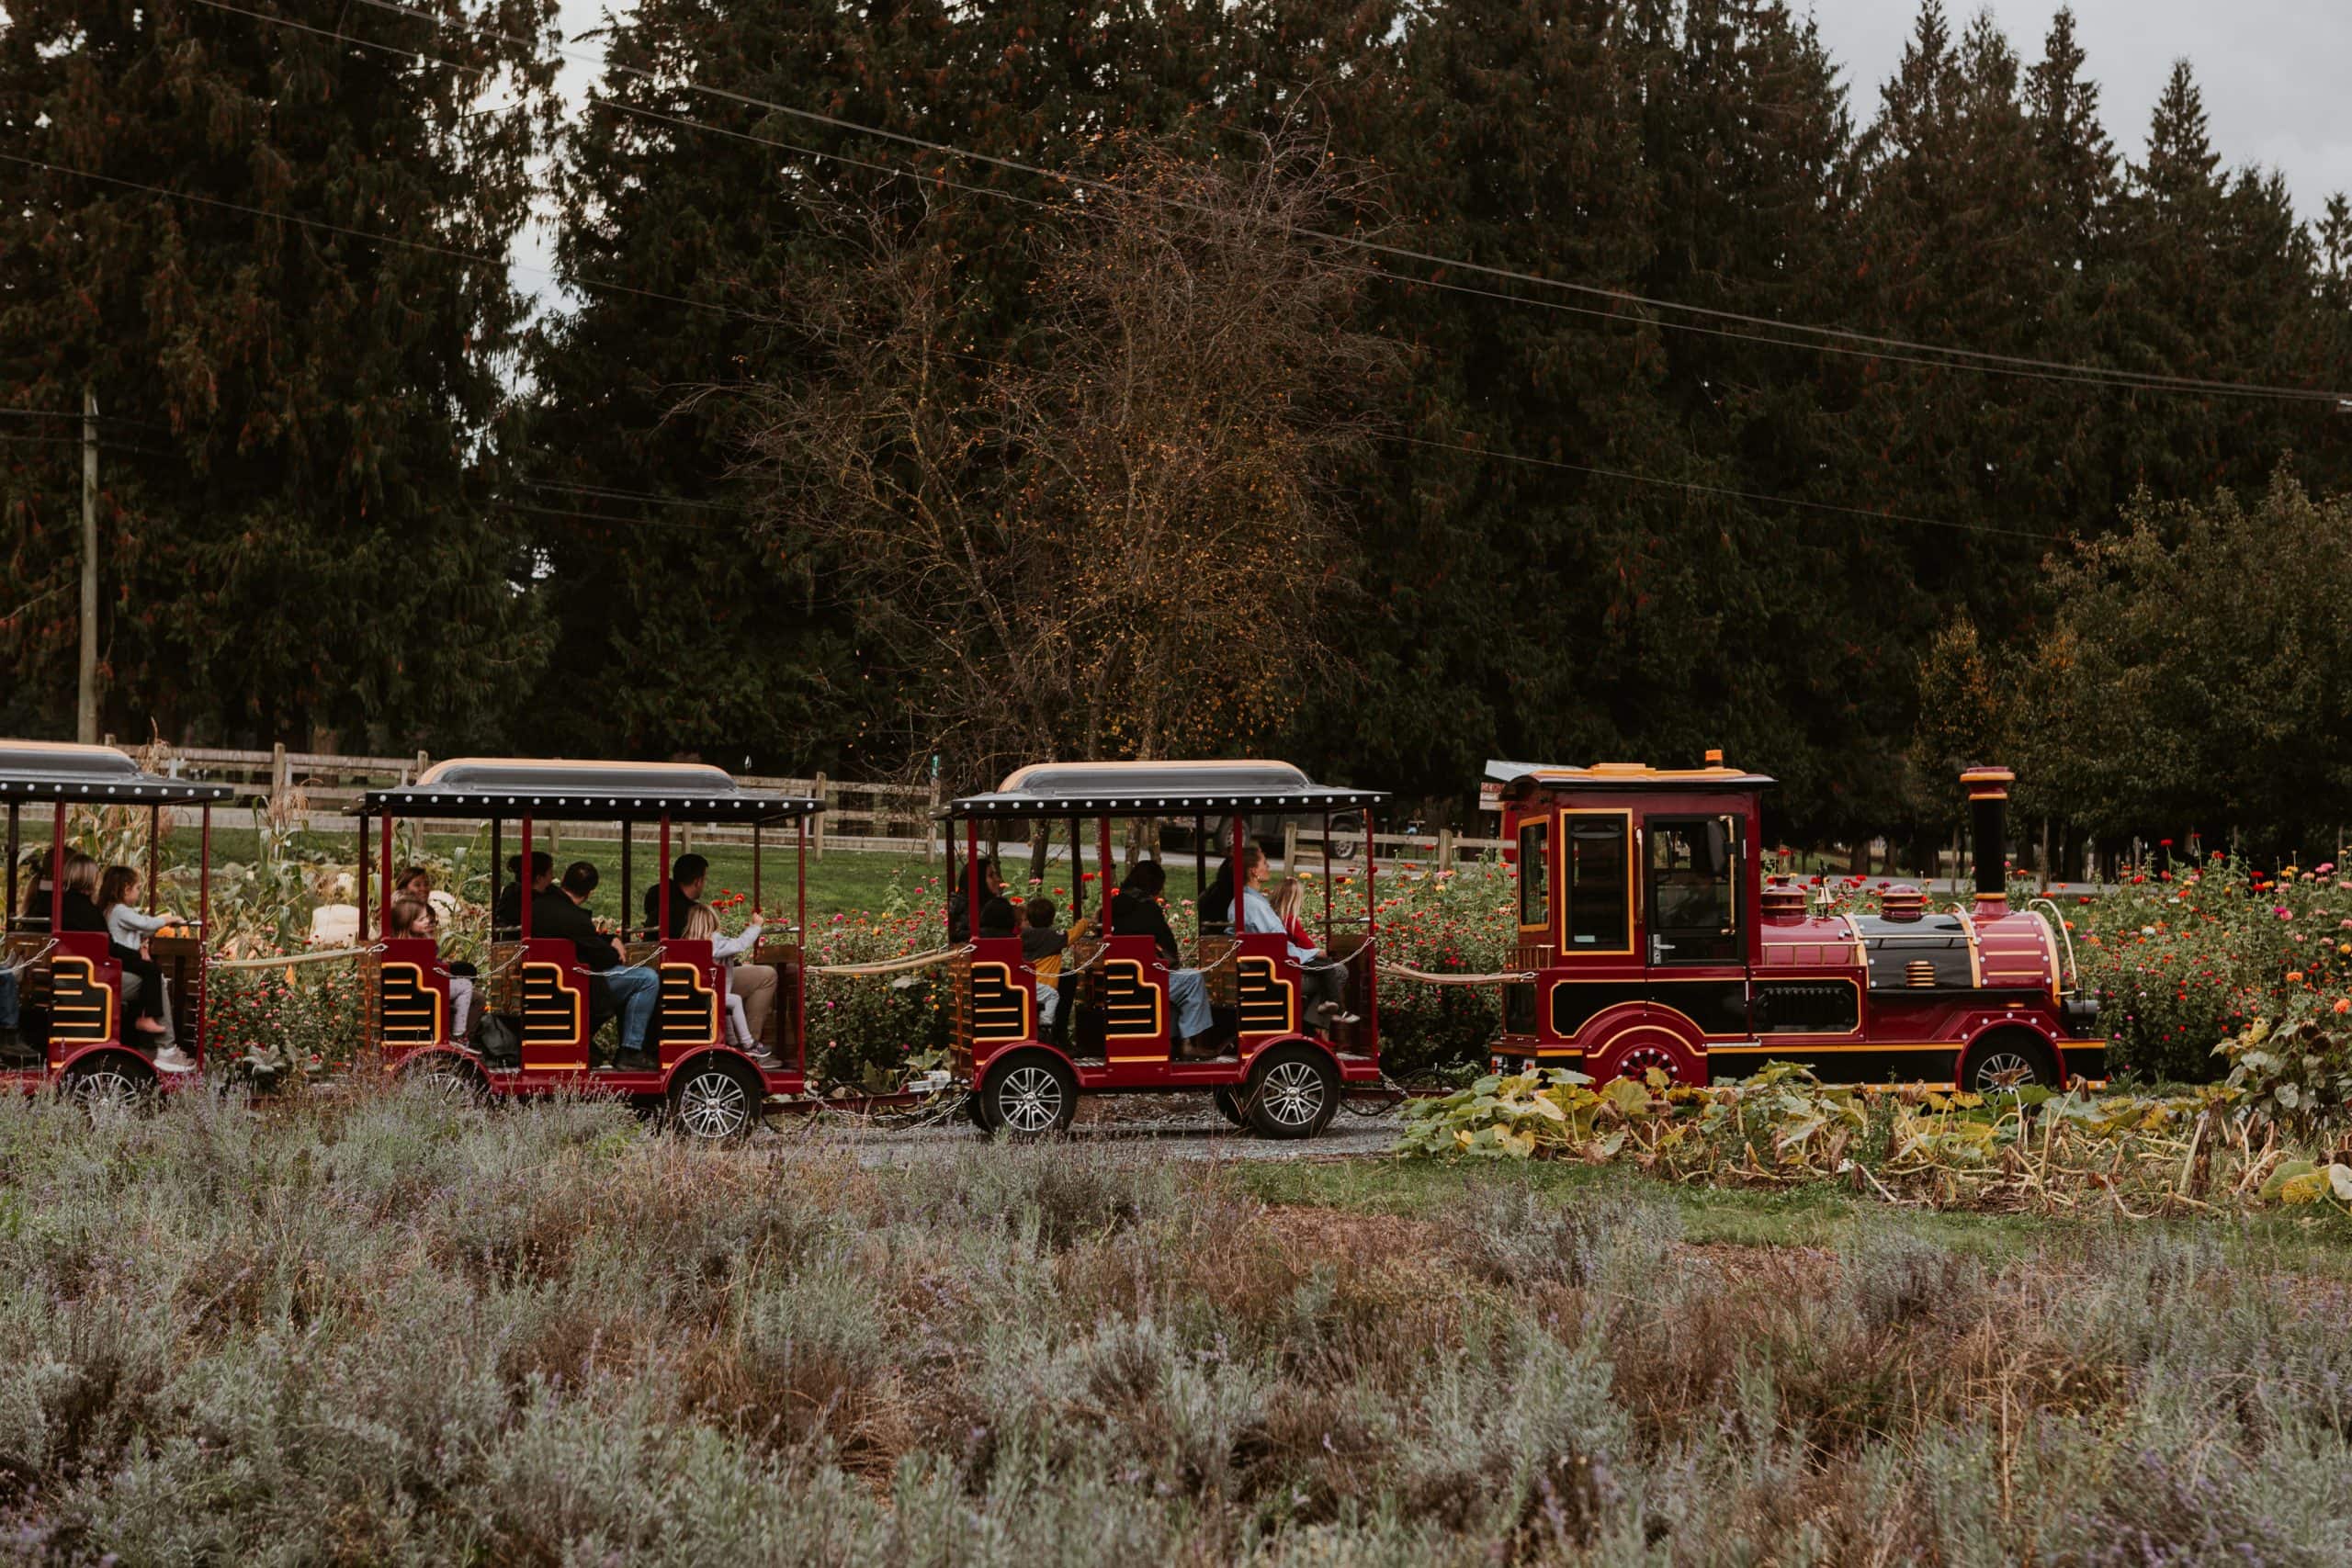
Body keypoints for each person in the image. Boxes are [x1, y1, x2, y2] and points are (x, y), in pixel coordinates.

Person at [534, 861, 659, 1069]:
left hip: (550, 982)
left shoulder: (540, 906)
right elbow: (604, 958)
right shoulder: (573, 917)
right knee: (647, 979)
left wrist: (608, 939)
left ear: (564, 880)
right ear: (590, 892)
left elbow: (586, 943)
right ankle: (631, 1050)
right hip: (577, 985)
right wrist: (613, 946)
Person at [645, 853, 778, 1045]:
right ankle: (749, 1042)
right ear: (698, 881)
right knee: (767, 975)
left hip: (674, 978)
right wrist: (755, 927)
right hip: (700, 982)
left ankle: (735, 1038)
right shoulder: (691, 911)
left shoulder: (662, 905)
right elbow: (719, 947)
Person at [1237, 847, 1354, 1030]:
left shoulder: (1249, 902)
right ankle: (1311, 1026)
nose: (1268, 867)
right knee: (1337, 970)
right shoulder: (1255, 906)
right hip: (1274, 975)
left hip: (1262, 969)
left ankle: (1313, 1022)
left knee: (1326, 968)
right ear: (1254, 871)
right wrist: (1314, 953)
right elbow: (1281, 947)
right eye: (1264, 863)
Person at [1110, 862, 1216, 1053]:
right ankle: (1188, 1044)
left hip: (1119, 976)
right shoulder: (1147, 908)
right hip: (1145, 979)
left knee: (1176, 988)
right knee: (1192, 980)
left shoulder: (1115, 904)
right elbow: (1167, 943)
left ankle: (1169, 1039)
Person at [97, 865, 197, 1068]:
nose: (138, 892)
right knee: (155, 975)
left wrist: (143, 946)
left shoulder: (111, 910)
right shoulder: (119, 910)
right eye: (137, 888)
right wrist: (169, 919)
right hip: (122, 961)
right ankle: (164, 1045)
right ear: (126, 889)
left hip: (124, 960)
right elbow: (144, 923)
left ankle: (147, 1034)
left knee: (151, 976)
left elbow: (136, 932)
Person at [681, 901, 781, 1066]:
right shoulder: (714, 941)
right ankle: (749, 1044)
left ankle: (733, 1043)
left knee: (727, 1004)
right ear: (711, 922)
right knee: (733, 1000)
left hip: (696, 994)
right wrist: (756, 926)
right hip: (709, 995)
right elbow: (740, 944)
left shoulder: (689, 943)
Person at [386, 897, 473, 1042]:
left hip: (412, 990)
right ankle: (459, 1033)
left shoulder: (401, 943)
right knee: (465, 985)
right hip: (424, 989)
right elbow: (431, 968)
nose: (427, 922)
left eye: (427, 918)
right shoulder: (420, 944)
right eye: (421, 920)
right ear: (407, 923)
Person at [1020, 897, 1066, 1031]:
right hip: (1036, 984)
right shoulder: (1053, 937)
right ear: (1051, 918)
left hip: (1023, 981)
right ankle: (1045, 1024)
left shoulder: (1022, 937)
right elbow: (1073, 934)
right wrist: (1085, 923)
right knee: (1053, 994)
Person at [947, 856, 1014, 945]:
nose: (998, 879)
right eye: (991, 875)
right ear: (978, 880)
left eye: (995, 874)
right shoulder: (972, 913)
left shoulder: (987, 907)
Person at [492, 852, 554, 934]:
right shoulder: (538, 901)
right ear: (539, 878)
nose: (552, 877)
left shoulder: (511, 891)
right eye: (550, 873)